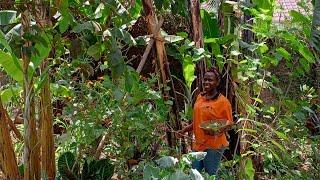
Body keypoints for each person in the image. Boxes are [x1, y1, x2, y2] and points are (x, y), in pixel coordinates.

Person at [177, 67, 233, 178]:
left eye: (210, 80)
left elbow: (229, 124)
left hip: (214, 146)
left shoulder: (223, 102)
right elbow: (198, 121)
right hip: (198, 144)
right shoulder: (200, 97)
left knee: (210, 175)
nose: (206, 82)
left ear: (217, 83)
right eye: (205, 79)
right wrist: (184, 130)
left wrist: (217, 130)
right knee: (194, 174)